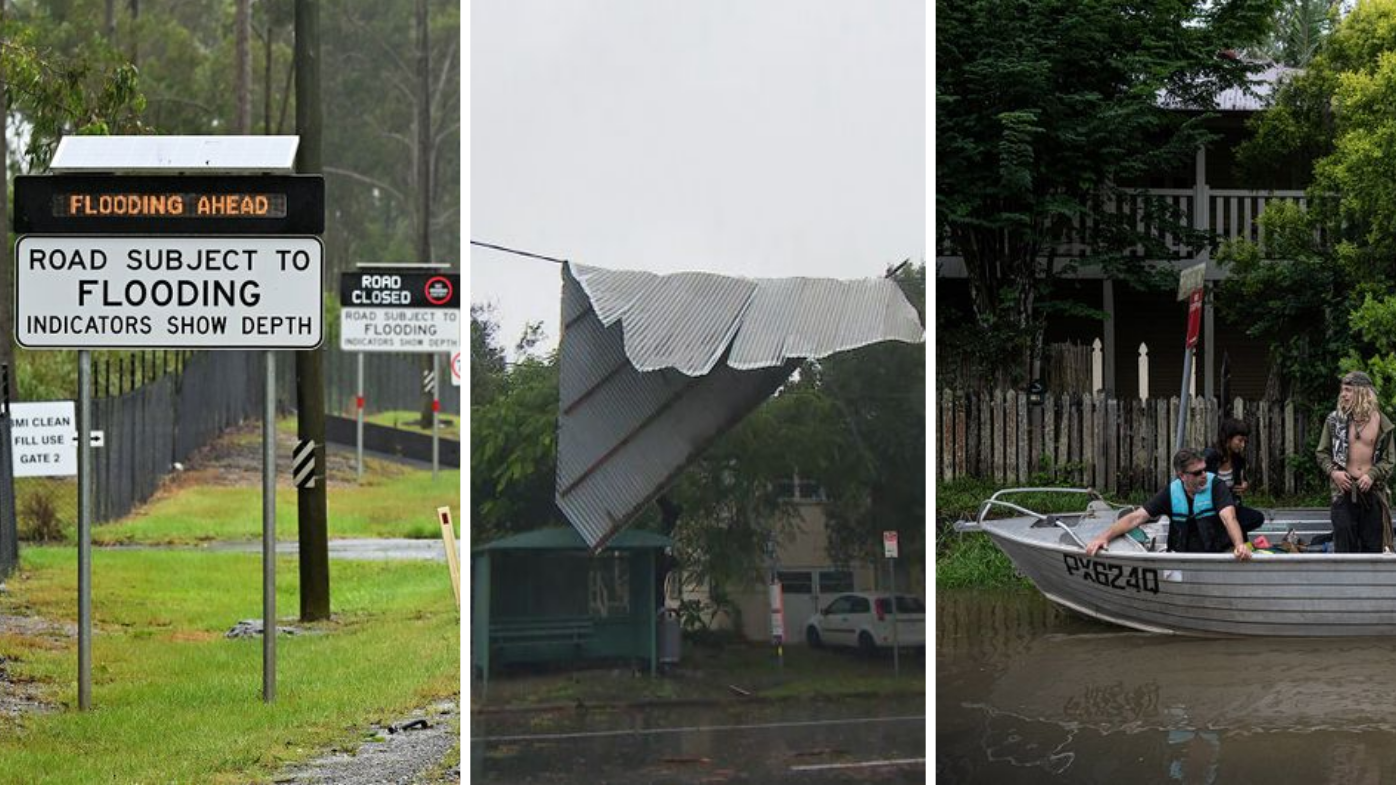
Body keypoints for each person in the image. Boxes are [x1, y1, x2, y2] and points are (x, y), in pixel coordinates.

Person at [1085, 447, 1251, 561]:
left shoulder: (1216, 485)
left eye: (1204, 469)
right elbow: (1136, 518)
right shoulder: (1171, 492)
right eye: (1197, 472)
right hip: (1182, 557)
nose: (1204, 475)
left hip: (1217, 555)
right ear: (1182, 475)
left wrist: (1239, 545)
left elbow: (1229, 517)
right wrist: (1103, 537)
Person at [1315, 370, 1396, 553]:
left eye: (1348, 390)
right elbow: (1322, 453)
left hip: (1372, 492)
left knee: (1373, 547)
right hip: (1344, 492)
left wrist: (1372, 475)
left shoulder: (1382, 423)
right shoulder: (1334, 421)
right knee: (1344, 545)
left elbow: (1389, 459)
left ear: (1362, 392)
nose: (1343, 394)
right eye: (1342, 390)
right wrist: (1334, 472)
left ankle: (1370, 582)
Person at [1203, 418, 1265, 539]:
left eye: (1245, 441)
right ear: (1228, 438)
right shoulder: (1209, 457)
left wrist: (1244, 485)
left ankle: (1230, 536)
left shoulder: (1237, 460)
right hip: (1209, 509)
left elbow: (1239, 482)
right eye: (1240, 440)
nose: (1243, 445)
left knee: (1257, 518)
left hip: (1230, 507)